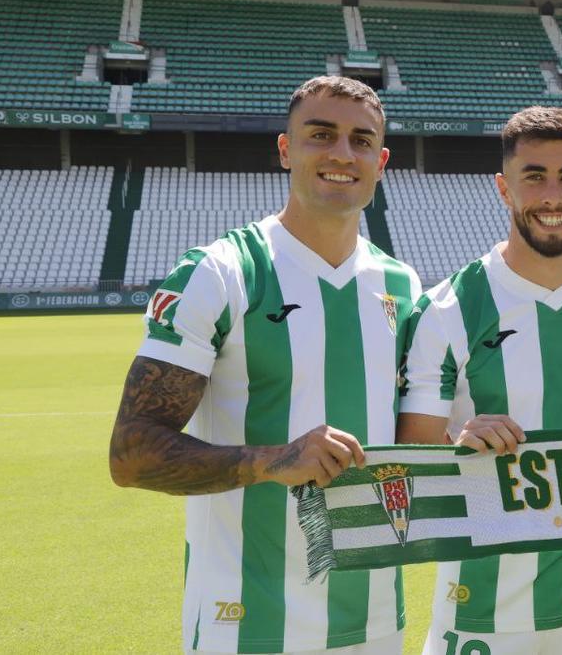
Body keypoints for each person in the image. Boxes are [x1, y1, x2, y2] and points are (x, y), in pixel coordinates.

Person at [109, 76, 420, 655]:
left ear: (380, 161)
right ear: (285, 150)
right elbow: (131, 454)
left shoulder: (402, 286)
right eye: (320, 135)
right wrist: (274, 460)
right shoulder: (220, 272)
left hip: (376, 619)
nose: (340, 154)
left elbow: (415, 434)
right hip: (246, 619)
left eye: (359, 141)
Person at [397, 107, 562, 655]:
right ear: (504, 187)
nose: (551, 196)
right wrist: (456, 442)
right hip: (481, 599)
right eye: (534, 176)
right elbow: (410, 451)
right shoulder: (450, 307)